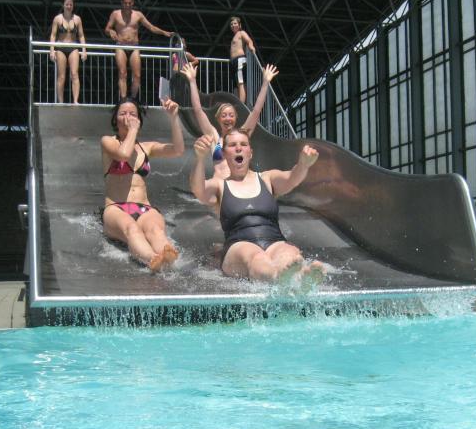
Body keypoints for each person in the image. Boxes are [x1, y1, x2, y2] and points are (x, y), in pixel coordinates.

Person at [190, 128, 326, 285]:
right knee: (256, 257)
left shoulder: (267, 178)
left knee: (289, 253)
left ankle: (300, 281)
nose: (239, 148)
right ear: (225, 154)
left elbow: (292, 178)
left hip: (274, 241)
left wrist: (303, 164)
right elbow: (198, 189)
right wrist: (199, 158)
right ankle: (277, 277)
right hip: (239, 246)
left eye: (243, 144)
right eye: (232, 145)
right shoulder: (220, 185)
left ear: (250, 153)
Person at [102, 96, 183, 272]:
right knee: (131, 229)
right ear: (115, 119)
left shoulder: (147, 147)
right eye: (123, 113)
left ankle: (167, 255)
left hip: (144, 207)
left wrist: (174, 118)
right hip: (116, 208)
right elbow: (124, 155)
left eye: (133, 114)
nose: (128, 117)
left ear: (139, 119)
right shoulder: (108, 141)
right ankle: (151, 258)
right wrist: (132, 130)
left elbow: (178, 150)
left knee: (155, 230)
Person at [180, 61, 278, 180]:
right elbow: (198, 110)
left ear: (236, 118)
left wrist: (266, 83)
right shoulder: (214, 137)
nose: (228, 118)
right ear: (218, 118)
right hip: (221, 185)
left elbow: (256, 111)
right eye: (224, 115)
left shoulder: (242, 134)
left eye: (231, 115)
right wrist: (192, 81)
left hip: (238, 186)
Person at [104, 0, 173, 100]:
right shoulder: (115, 14)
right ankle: (123, 100)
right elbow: (107, 29)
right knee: (122, 73)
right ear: (121, 3)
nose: (127, 5)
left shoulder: (138, 15)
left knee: (137, 75)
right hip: (120, 45)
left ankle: (133, 99)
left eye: (129, 3)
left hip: (134, 46)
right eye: (125, 3)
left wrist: (164, 32)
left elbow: (151, 27)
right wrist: (110, 31)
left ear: (132, 3)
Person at [49, 0, 87, 104]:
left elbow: (81, 36)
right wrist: (52, 50)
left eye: (71, 4)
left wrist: (84, 50)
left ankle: (75, 101)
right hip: (61, 47)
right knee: (61, 76)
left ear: (73, 6)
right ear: (63, 5)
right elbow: (53, 35)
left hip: (73, 47)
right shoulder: (57, 19)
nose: (69, 6)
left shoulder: (77, 19)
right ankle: (61, 101)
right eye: (67, 4)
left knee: (74, 74)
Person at [228, 16, 256, 103]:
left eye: (235, 23)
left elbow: (249, 41)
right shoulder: (234, 37)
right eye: (231, 24)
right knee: (236, 84)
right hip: (234, 62)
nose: (233, 25)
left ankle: (241, 105)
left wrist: (251, 47)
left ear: (239, 25)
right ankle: (237, 104)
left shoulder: (241, 33)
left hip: (240, 60)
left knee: (241, 82)